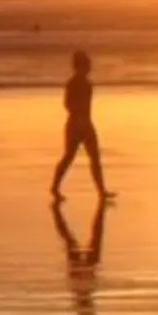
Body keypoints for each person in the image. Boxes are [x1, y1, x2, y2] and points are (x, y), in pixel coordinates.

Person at [50, 49, 107, 201]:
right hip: (75, 125)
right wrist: (78, 114)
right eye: (86, 65)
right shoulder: (72, 84)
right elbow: (67, 104)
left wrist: (84, 120)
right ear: (79, 66)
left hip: (87, 124)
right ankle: (55, 187)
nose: (89, 68)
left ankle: (101, 191)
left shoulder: (88, 84)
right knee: (68, 157)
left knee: (95, 157)